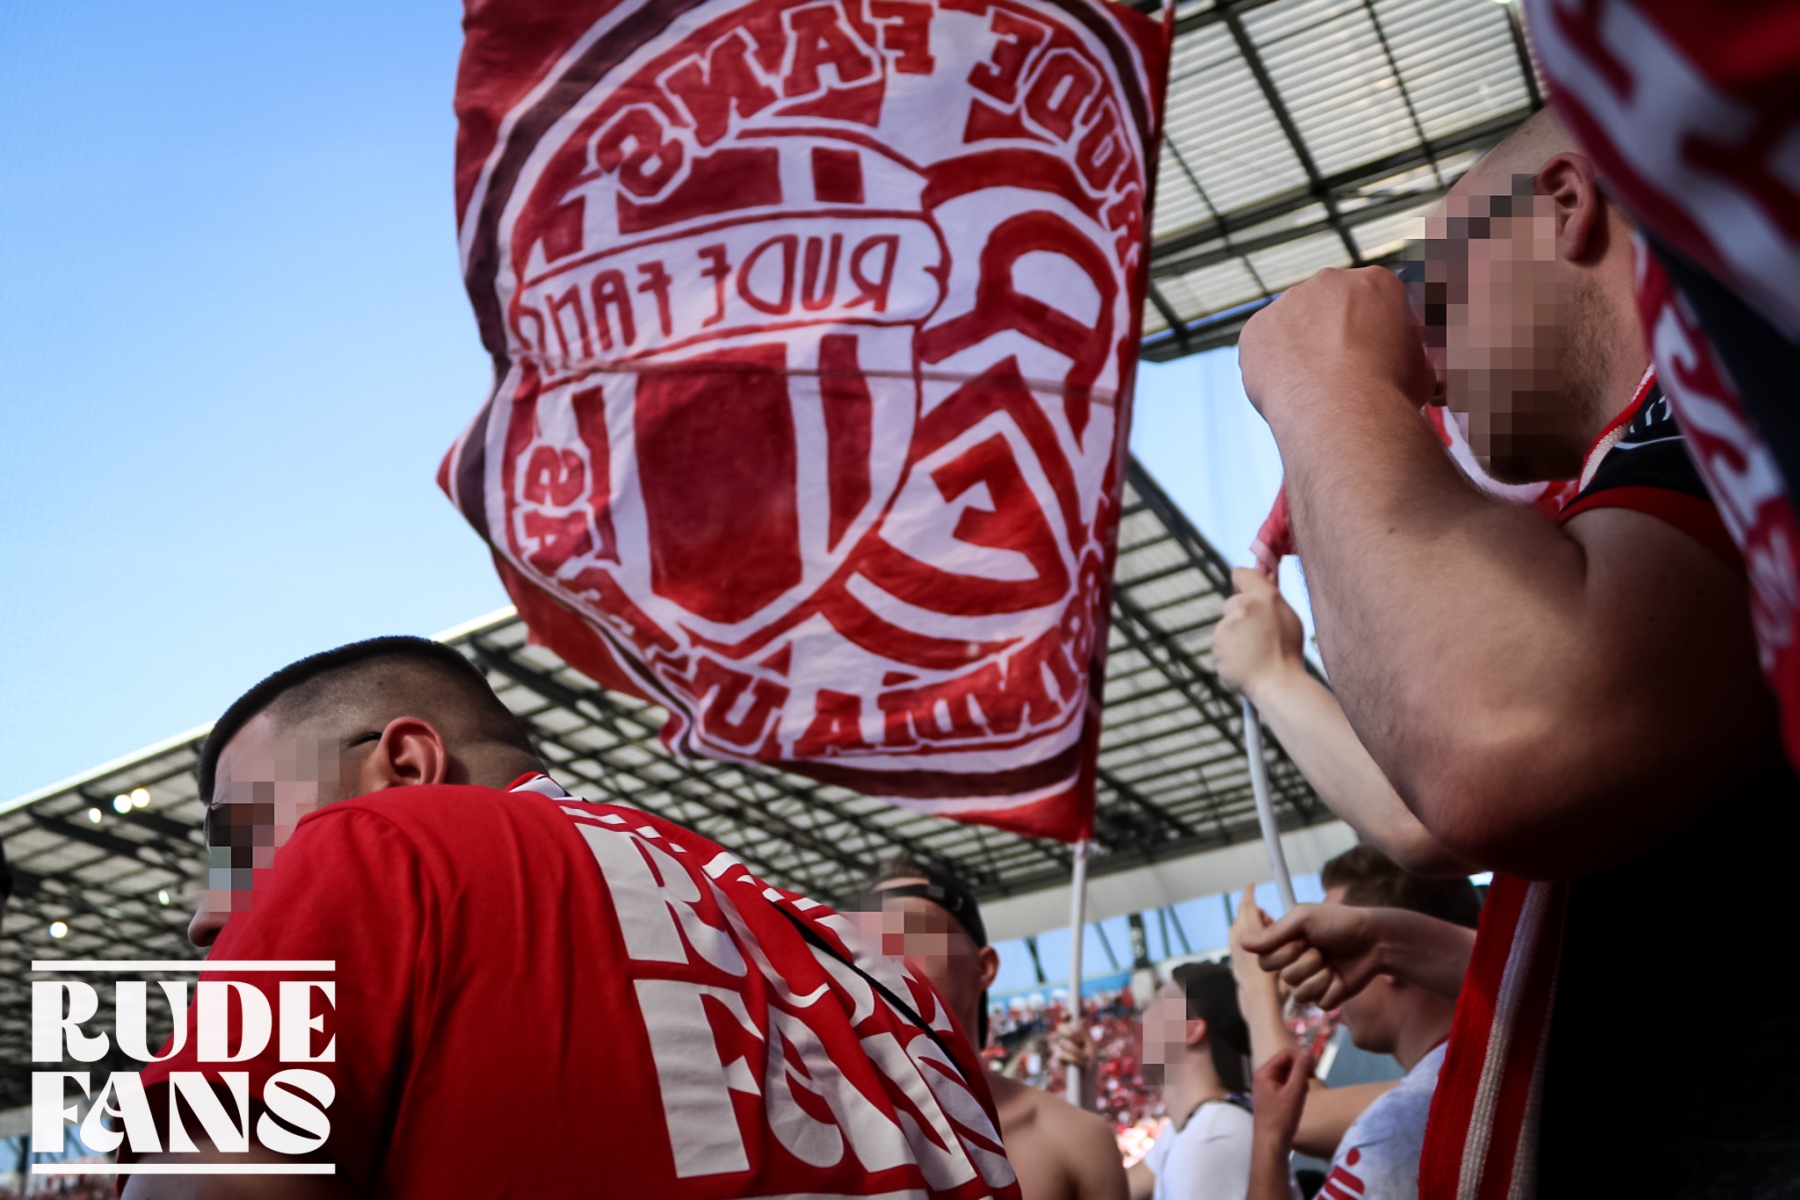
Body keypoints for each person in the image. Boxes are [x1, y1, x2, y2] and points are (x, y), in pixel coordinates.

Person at [1235, 107, 1800, 1195]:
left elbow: (1503, 740)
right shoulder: (1674, 437)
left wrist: (1324, 381)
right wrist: (1441, 949)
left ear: (1565, 205)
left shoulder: (1737, 370)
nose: (1429, 368)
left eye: (1437, 293)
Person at [120, 636, 1021, 1200]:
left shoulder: (372, 843)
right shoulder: (889, 983)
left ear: (403, 767)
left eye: (241, 837)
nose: (208, 914)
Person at [863, 860, 1128, 1200]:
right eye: (870, 945)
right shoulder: (828, 1131)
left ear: (984, 966)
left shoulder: (1076, 1141)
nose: (886, 960)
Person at [1231, 848, 1478, 1198]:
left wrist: (1257, 988)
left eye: (1329, 949)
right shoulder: (1489, 1070)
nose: (1318, 969)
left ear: (1390, 951)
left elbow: (1302, 1115)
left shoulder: (1401, 1121)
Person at [1128, 961, 1282, 1200]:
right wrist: (1086, 1080)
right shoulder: (1193, 1130)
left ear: (1191, 1030)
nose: (1141, 1019)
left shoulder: (1208, 1141)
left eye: (1157, 1006)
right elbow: (1108, 1192)